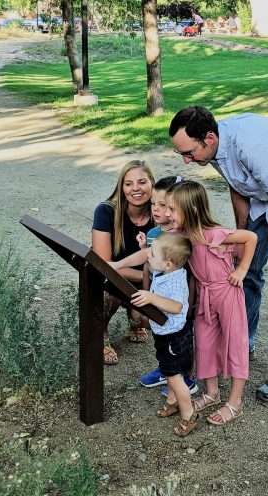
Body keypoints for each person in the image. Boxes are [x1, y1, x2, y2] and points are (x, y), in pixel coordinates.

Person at [169, 107, 268, 404]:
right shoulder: (213, 150)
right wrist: (239, 239)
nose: (186, 160)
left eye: (189, 153)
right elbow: (238, 187)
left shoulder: (250, 146)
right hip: (264, 194)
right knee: (246, 271)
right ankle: (244, 343)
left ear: (209, 138)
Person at [167, 181, 257, 426]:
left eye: (172, 209)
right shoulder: (182, 236)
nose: (168, 214)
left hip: (227, 293)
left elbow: (250, 237)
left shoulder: (215, 234)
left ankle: (235, 402)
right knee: (204, 344)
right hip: (205, 297)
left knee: (235, 343)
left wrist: (241, 269)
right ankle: (211, 393)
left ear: (191, 211)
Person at [128, 234, 199, 436]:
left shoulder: (175, 283)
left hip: (174, 338)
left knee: (176, 377)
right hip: (165, 334)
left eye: (151, 254)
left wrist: (151, 297)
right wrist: (144, 246)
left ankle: (189, 414)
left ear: (168, 264)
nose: (147, 256)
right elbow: (153, 264)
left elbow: (176, 306)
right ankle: (172, 401)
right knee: (169, 371)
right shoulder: (165, 271)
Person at [136, 176, 198, 395]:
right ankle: (167, 372)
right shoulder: (155, 235)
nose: (157, 210)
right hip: (159, 299)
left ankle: (184, 379)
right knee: (164, 343)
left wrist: (190, 305)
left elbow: (191, 278)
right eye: (154, 204)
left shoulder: (183, 239)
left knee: (179, 343)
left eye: (164, 205)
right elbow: (149, 269)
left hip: (177, 303)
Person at [92, 160, 155, 365]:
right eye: (128, 184)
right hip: (112, 279)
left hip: (145, 280)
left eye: (142, 182)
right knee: (108, 289)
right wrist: (148, 277)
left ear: (152, 184)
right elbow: (104, 265)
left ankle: (134, 317)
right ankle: (99, 336)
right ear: (121, 187)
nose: (135, 188)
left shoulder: (161, 213)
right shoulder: (106, 211)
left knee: (144, 321)